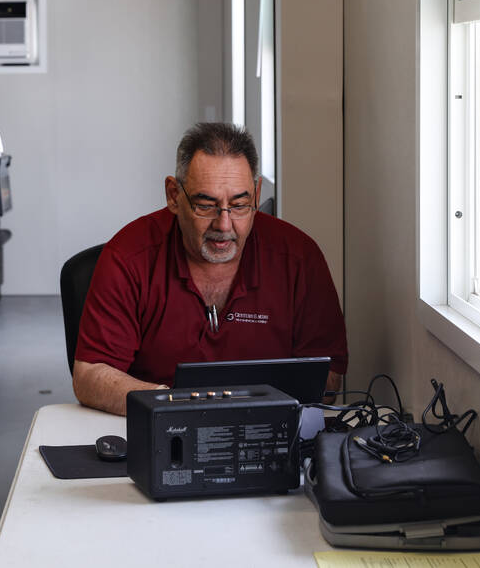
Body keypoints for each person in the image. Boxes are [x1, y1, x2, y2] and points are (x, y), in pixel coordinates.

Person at [72, 122, 347, 416]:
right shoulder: (129, 256)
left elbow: (328, 378)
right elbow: (90, 374)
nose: (224, 225)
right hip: (161, 428)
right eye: (206, 205)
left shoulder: (298, 258)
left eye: (240, 205)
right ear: (174, 196)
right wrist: (171, 405)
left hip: (268, 430)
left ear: (256, 194)